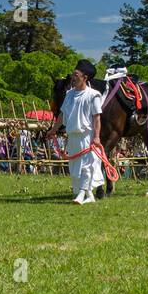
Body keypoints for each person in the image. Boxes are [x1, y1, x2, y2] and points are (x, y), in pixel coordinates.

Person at [57, 65, 104, 204]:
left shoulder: (93, 95)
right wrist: (53, 130)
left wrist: (96, 137)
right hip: (72, 136)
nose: (73, 77)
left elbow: (97, 118)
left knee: (87, 165)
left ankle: (82, 193)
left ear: (85, 78)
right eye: (73, 74)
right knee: (74, 165)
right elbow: (62, 114)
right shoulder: (69, 94)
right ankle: (89, 195)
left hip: (87, 136)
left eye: (76, 75)